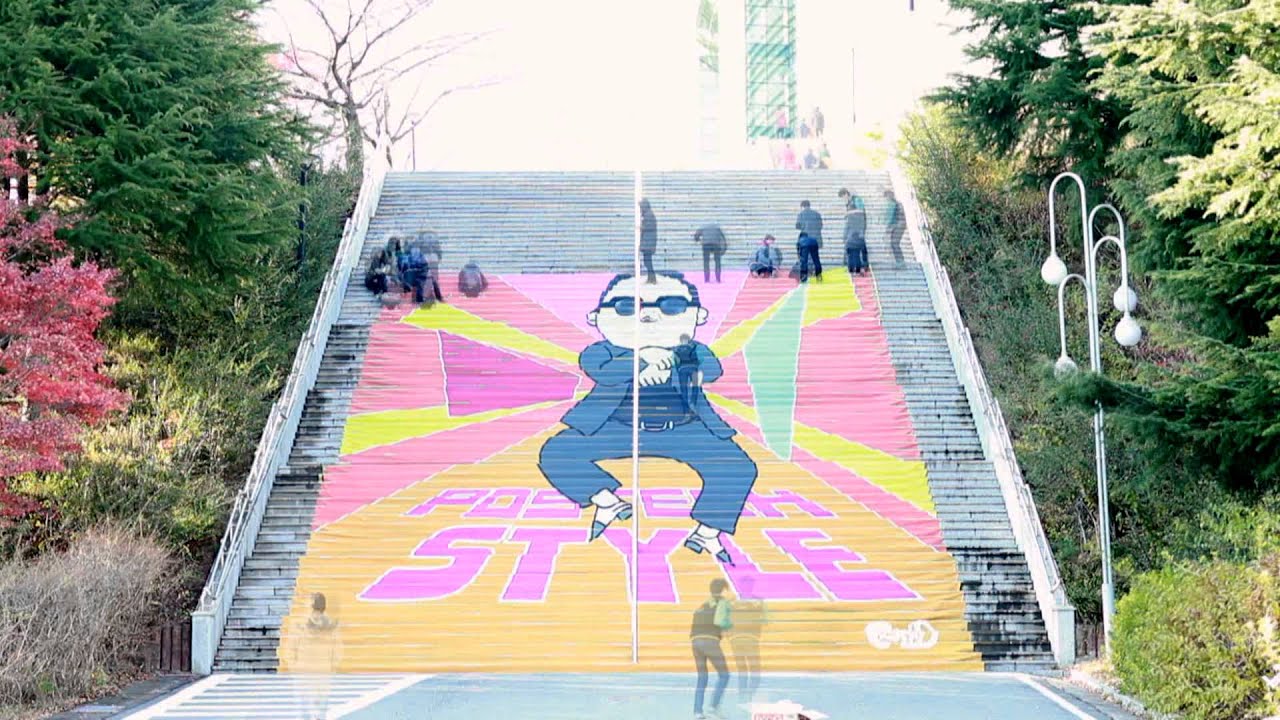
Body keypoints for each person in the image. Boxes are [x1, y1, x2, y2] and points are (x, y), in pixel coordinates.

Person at [537, 273, 759, 565]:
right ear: (595, 317)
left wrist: (670, 359)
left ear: (699, 315)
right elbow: (603, 371)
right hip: (619, 427)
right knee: (556, 451)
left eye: (672, 305)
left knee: (739, 467)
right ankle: (607, 502)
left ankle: (707, 532)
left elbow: (711, 371)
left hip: (684, 429)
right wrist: (643, 357)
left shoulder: (693, 350)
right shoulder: (601, 351)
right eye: (626, 306)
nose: (648, 315)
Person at [291, 592, 341, 720]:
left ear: (312, 606)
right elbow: (337, 651)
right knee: (318, 710)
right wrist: (332, 668)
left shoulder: (300, 624)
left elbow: (292, 648)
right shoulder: (331, 625)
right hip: (320, 671)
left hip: (306, 671)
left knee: (305, 709)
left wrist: (294, 666)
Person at [691, 579, 733, 720]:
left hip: (695, 641)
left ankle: (697, 711)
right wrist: (729, 625)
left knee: (702, 677)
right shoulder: (723, 602)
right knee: (724, 675)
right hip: (709, 641)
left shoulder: (702, 605)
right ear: (722, 590)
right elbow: (719, 621)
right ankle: (713, 708)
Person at [728, 576, 768, 705]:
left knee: (747, 670)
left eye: (749, 584)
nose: (747, 587)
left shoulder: (734, 602)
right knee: (748, 670)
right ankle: (746, 697)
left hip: (745, 639)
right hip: (742, 639)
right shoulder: (756, 602)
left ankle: (746, 697)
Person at [843, 200, 868, 275]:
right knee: (860, 253)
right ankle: (862, 267)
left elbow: (846, 228)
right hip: (860, 238)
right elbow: (864, 226)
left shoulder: (849, 217)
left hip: (851, 239)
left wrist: (844, 237)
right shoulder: (861, 215)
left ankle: (851, 269)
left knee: (851, 255)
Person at [419, 231, 445, 302]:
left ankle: (434, 296)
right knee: (431, 279)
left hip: (430, 258)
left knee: (432, 279)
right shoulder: (433, 239)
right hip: (430, 258)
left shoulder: (423, 238)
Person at [885, 188, 907, 265]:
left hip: (899, 225)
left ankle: (900, 261)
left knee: (894, 243)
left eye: (887, 197)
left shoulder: (894, 204)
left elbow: (892, 217)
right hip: (899, 225)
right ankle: (900, 261)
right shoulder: (896, 204)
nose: (886, 199)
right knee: (894, 243)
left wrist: (889, 227)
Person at [639, 198, 658, 283]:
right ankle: (651, 278)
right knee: (647, 261)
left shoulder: (649, 215)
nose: (640, 208)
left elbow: (648, 227)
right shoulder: (647, 214)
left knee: (647, 262)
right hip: (648, 243)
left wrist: (640, 227)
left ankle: (652, 278)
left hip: (648, 243)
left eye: (641, 206)